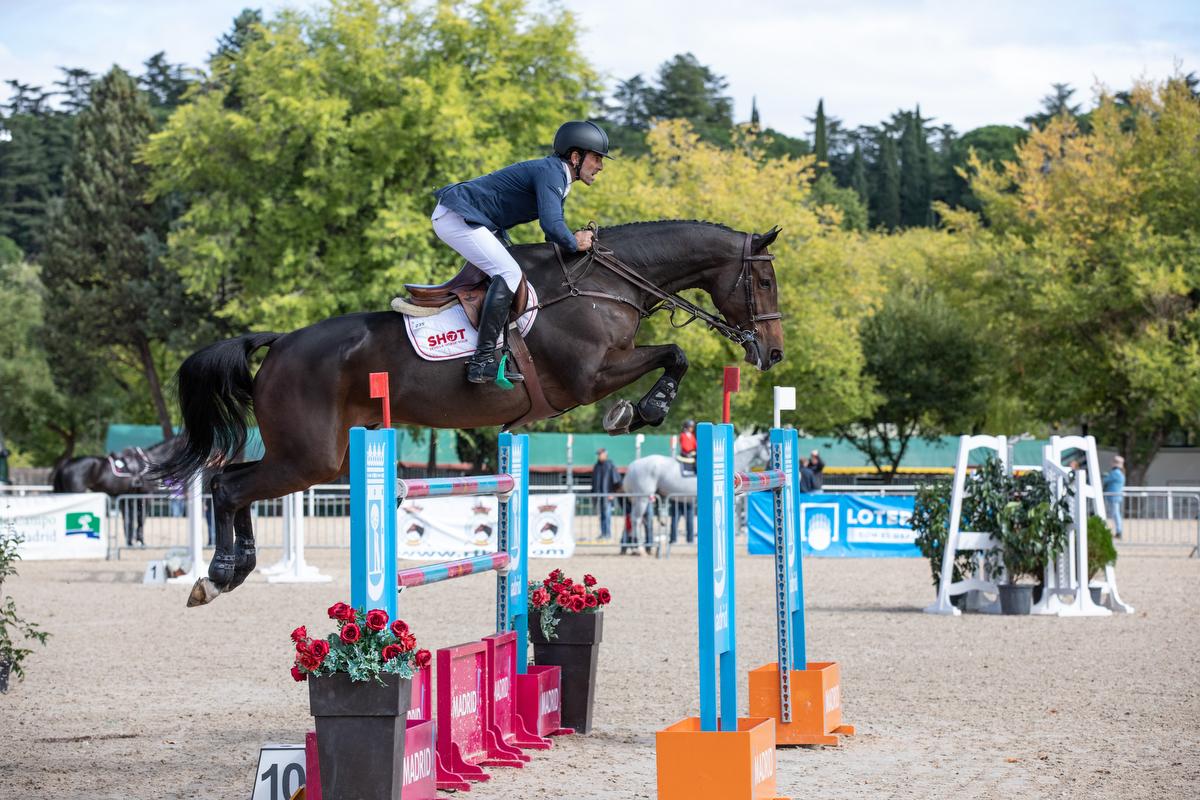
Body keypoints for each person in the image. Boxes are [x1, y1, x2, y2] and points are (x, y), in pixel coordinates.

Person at [431, 120, 611, 386]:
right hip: (458, 216)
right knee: (509, 272)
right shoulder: (552, 173)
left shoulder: (558, 176)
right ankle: (480, 363)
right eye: (596, 158)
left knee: (512, 270)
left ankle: (499, 350)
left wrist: (571, 242)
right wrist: (575, 241)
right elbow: (552, 226)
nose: (600, 166)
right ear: (576, 157)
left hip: (474, 219)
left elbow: (551, 235)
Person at [590, 448, 621, 540]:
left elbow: (616, 480)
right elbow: (594, 482)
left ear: (605, 454)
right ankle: (603, 533)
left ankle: (607, 534)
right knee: (602, 515)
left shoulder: (610, 465)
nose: (599, 456)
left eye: (600, 454)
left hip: (607, 495)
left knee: (607, 515)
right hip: (599, 495)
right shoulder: (596, 466)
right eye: (598, 454)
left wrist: (612, 493)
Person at [1103, 455, 1125, 539]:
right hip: (1116, 496)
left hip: (1113, 497)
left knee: (1115, 514)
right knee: (1115, 514)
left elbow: (1106, 480)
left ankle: (1119, 531)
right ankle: (1118, 531)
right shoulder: (1120, 473)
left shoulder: (1115, 473)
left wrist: (1105, 476)